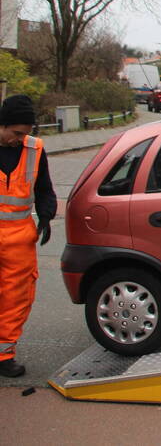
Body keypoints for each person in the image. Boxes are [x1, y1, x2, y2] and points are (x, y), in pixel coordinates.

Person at [0, 95, 56, 378]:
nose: (20, 139)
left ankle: (4, 355)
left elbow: (45, 189)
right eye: (16, 133)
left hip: (20, 239)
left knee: (15, 299)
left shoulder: (34, 149)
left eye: (26, 133)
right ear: (2, 125)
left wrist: (46, 217)